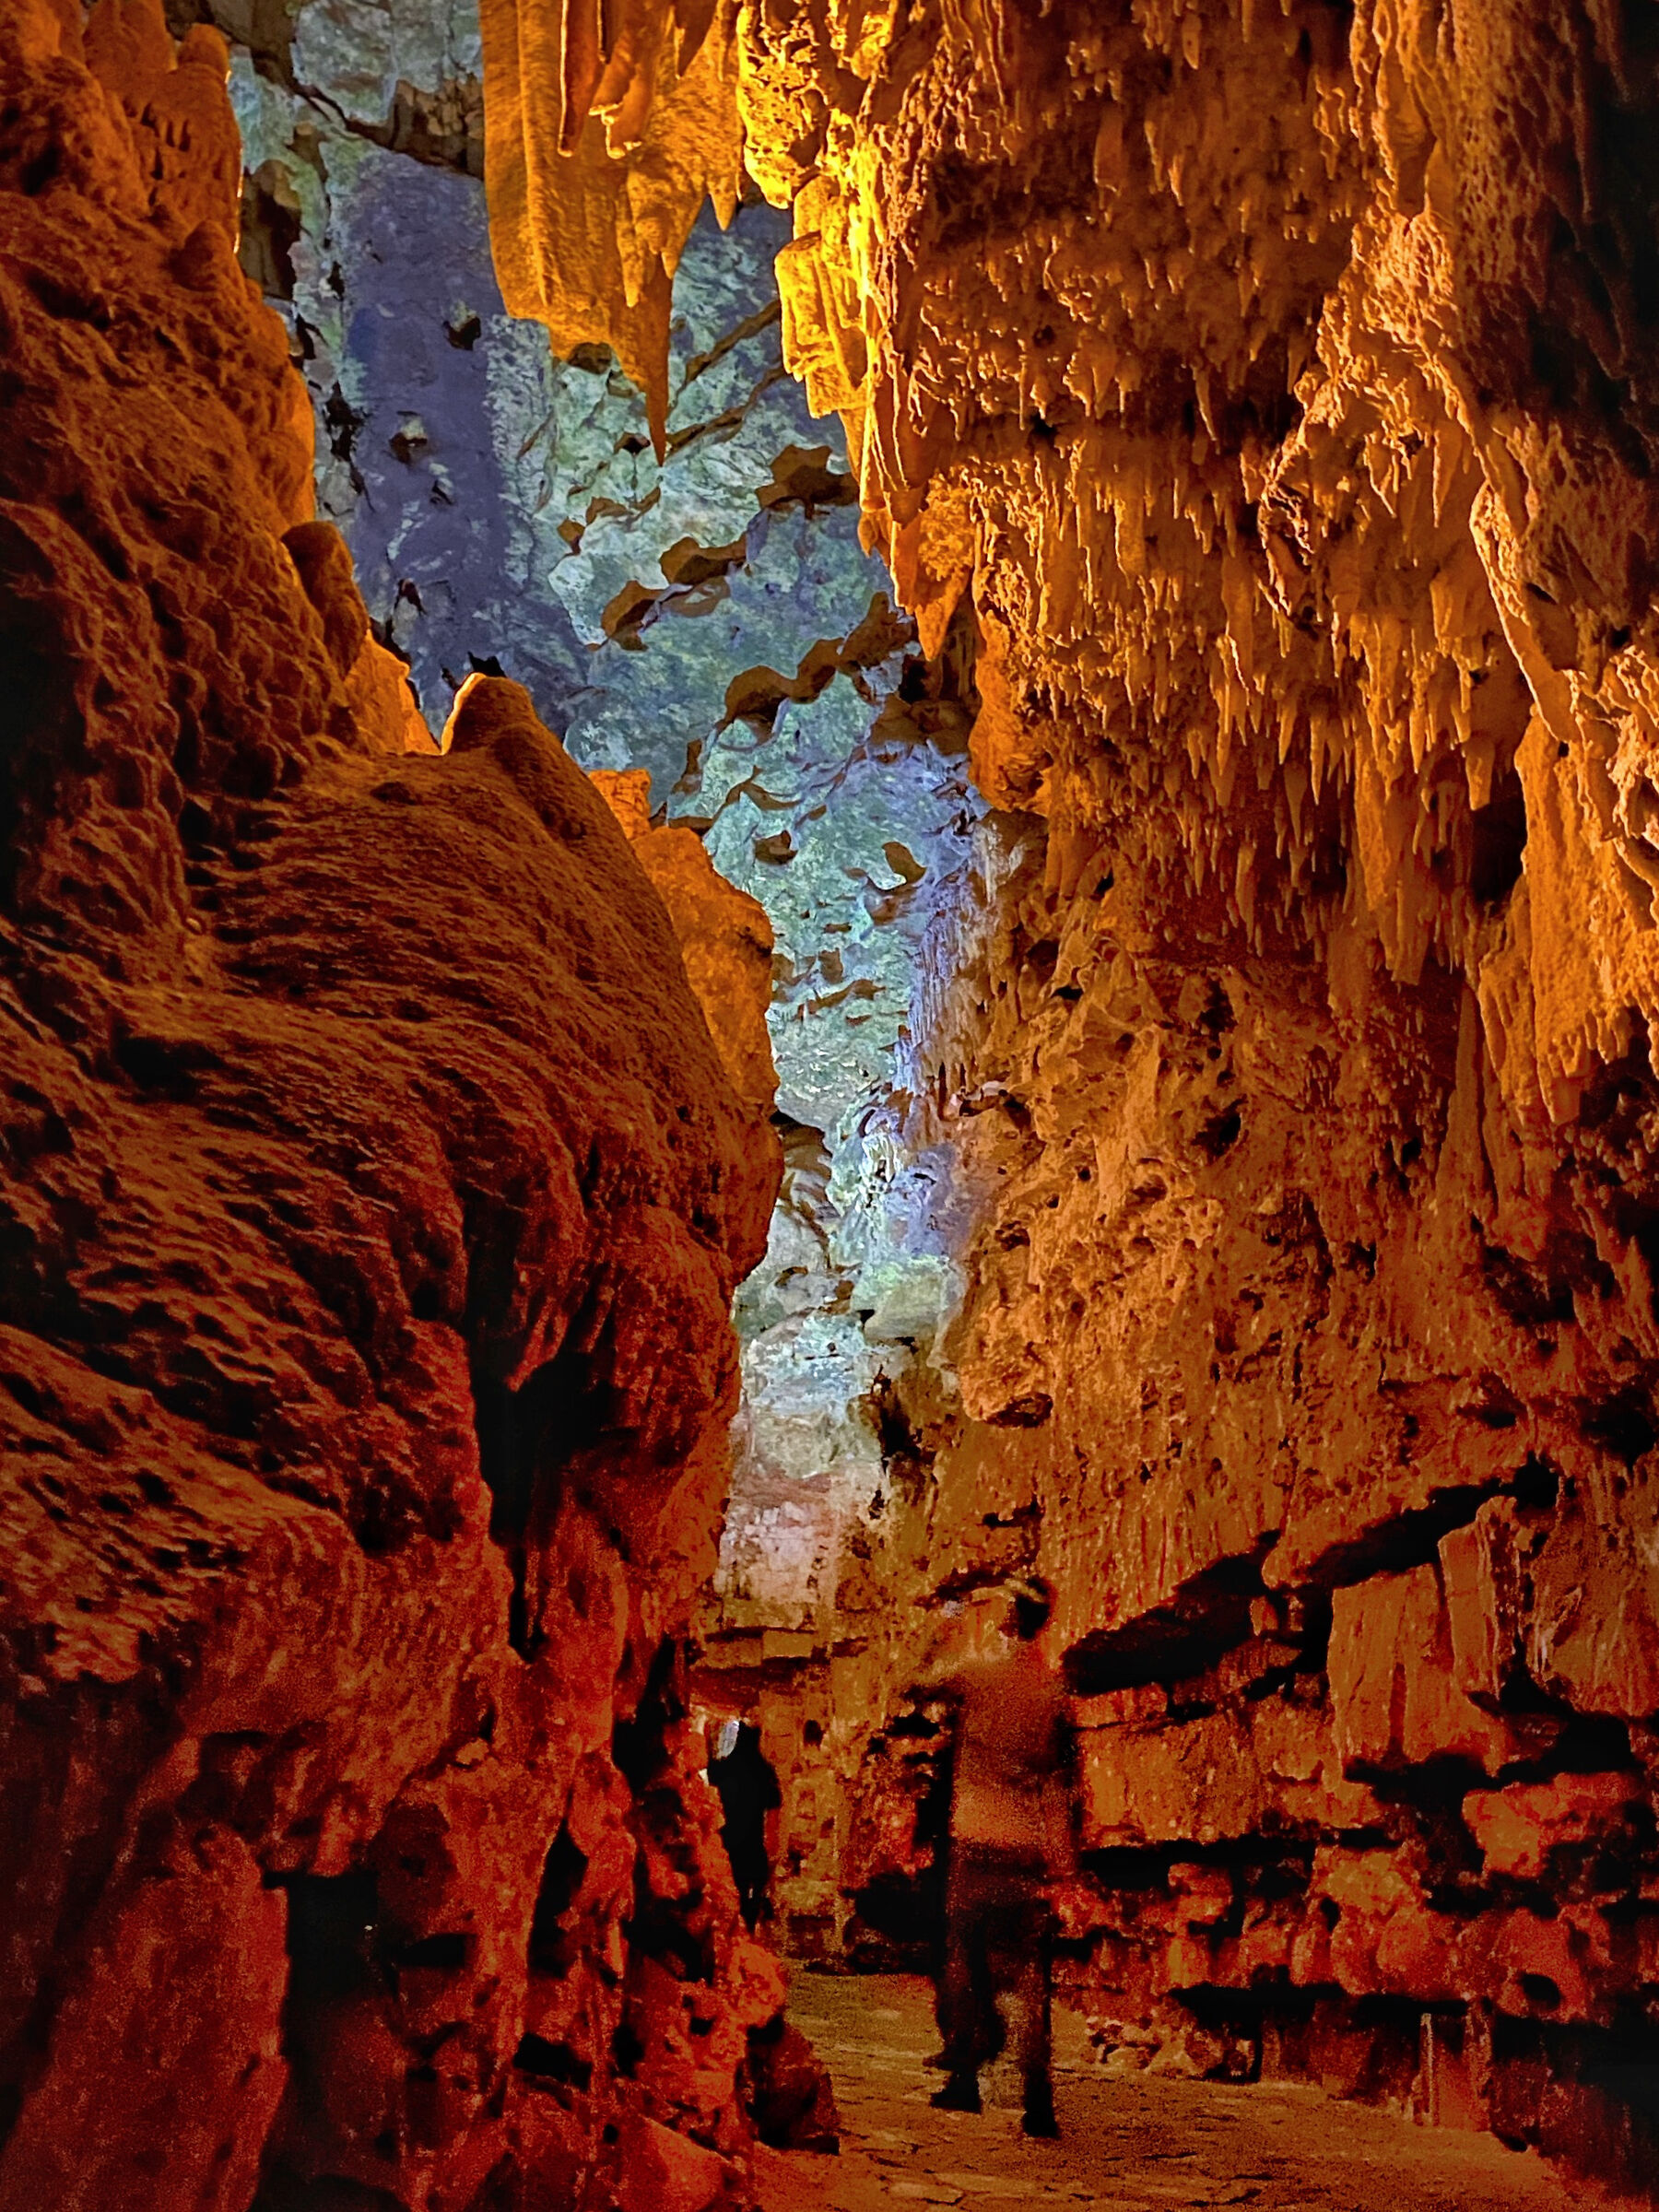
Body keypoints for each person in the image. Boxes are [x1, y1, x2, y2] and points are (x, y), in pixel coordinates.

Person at [915, 1576, 1074, 2137]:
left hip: (977, 1837)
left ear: (1008, 1617)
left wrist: (949, 1626)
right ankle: (1039, 2102)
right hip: (1029, 1845)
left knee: (965, 1963)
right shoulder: (1055, 1695)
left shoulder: (979, 1672)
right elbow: (1062, 1781)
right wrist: (1064, 1858)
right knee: (1034, 1976)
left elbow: (921, 1683)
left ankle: (964, 2080)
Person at [708, 1719, 782, 1930]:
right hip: (753, 1837)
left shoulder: (727, 1766)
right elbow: (774, 1802)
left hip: (729, 1836)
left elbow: (712, 1771)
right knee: (755, 1879)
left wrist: (708, 1740)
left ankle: (739, 1922)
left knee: (736, 1882)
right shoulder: (763, 1771)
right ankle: (750, 1918)